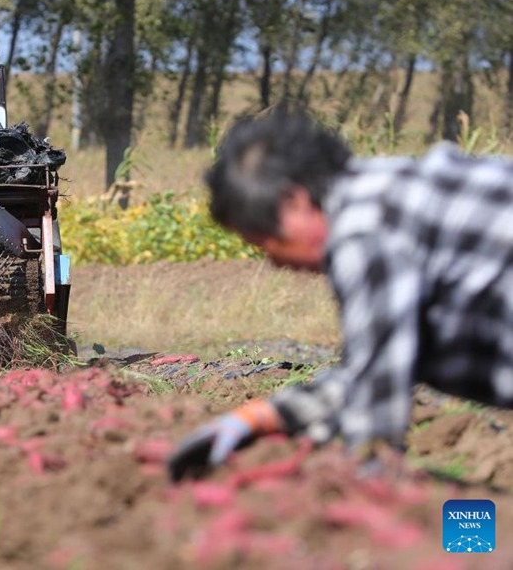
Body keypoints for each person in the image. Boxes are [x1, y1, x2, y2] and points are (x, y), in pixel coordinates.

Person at [168, 110, 513, 482]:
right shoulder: (386, 189)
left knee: (463, 529)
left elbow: (375, 417)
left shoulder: (363, 231)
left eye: (264, 242)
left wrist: (365, 480)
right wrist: (260, 418)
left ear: (294, 202)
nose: (275, 263)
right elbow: (378, 362)